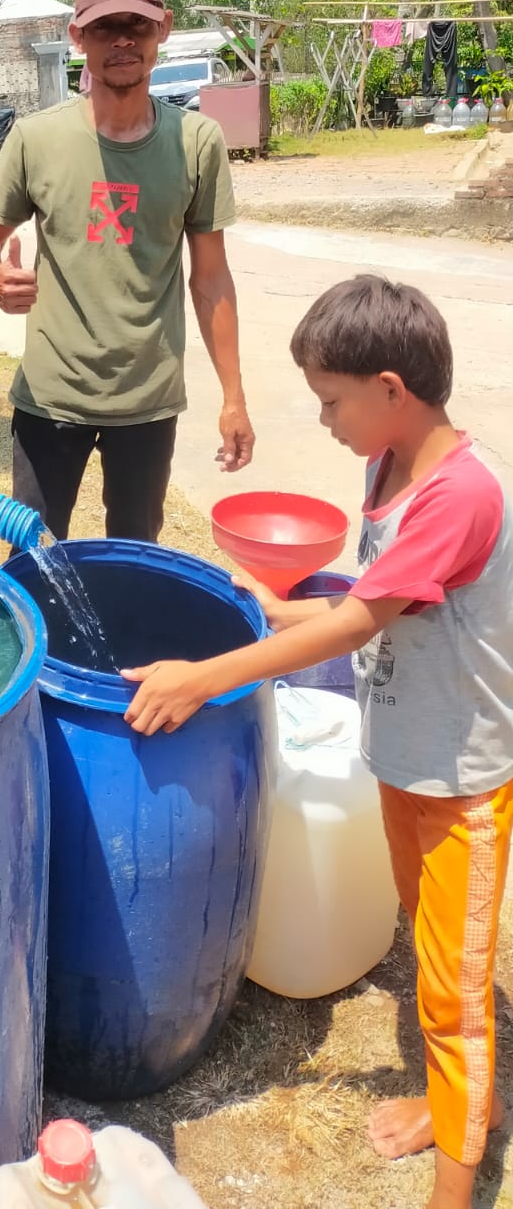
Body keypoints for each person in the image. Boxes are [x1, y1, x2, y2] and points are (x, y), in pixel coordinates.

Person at [125, 274, 513, 1209]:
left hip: (463, 782)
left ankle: (452, 1190)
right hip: (404, 758)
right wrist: (281, 605)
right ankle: (460, 1099)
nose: (326, 421)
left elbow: (357, 627)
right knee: (429, 946)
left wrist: (206, 676)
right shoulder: (391, 466)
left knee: (455, 992)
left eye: (332, 403)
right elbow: (364, 601)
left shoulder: (458, 494)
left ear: (391, 389)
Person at [0, 0, 253, 544]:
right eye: (104, 27)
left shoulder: (197, 143)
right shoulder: (37, 139)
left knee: (135, 560)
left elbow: (212, 280)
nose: (123, 41)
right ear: (78, 37)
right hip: (51, 397)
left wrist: (234, 396)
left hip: (147, 402)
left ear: (163, 29)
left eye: (138, 25)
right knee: (34, 559)